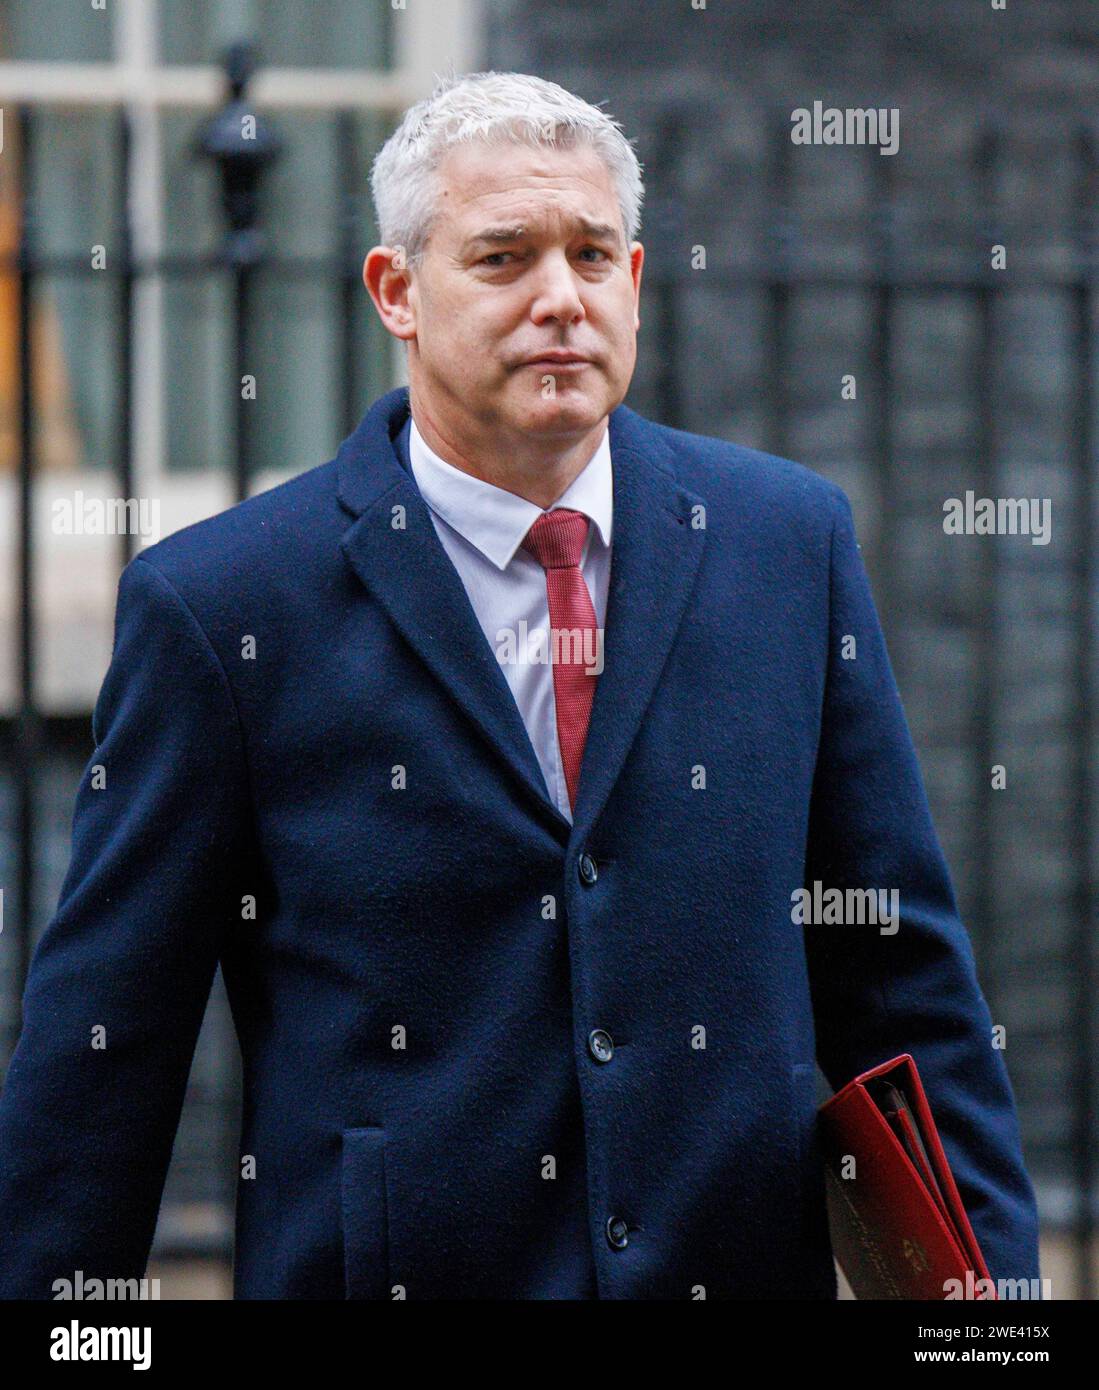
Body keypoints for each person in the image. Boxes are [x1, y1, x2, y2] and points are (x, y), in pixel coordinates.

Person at [0, 70, 1040, 1299]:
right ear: (397, 291)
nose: (561, 298)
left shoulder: (786, 543)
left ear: (635, 282)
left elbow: (895, 969)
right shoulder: (223, 603)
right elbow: (106, 1050)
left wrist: (994, 1313)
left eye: (592, 255)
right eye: (503, 258)